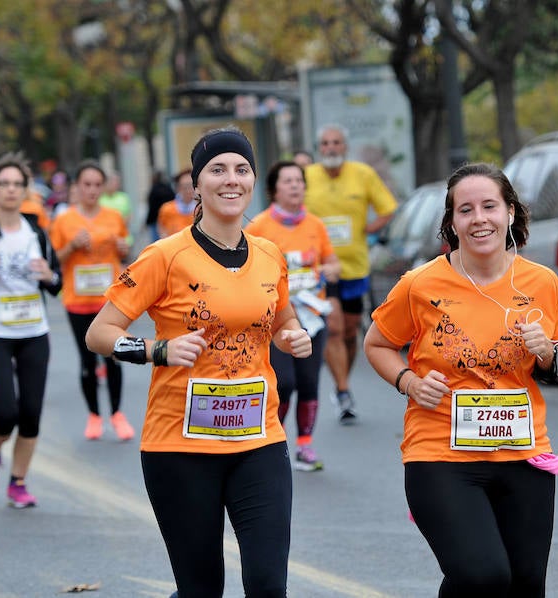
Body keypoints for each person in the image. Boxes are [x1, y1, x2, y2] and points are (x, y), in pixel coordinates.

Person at [85, 126, 311, 597]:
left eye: (242, 169)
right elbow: (100, 334)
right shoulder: (164, 257)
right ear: (197, 185)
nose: (232, 179)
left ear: (252, 182)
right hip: (180, 448)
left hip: (258, 438)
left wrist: (291, 336)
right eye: (218, 169)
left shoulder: (270, 254)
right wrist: (156, 350)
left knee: (269, 585)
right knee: (201, 589)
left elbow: (281, 314)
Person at [364, 163, 558, 597]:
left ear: (511, 213)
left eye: (489, 206)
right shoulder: (419, 284)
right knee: (482, 575)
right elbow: (377, 344)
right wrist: (408, 381)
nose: (479, 218)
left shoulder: (543, 282)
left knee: (525, 584)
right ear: (452, 222)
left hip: (522, 452)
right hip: (440, 454)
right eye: (465, 210)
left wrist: (549, 353)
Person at [0, 153, 62, 508]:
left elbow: (57, 283)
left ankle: (18, 482)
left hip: (34, 333)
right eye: (3, 184)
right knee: (5, 412)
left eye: (16, 184)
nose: (10, 190)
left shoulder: (36, 231)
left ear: (25, 190)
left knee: (31, 414)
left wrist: (48, 275)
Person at [245, 160, 340, 471]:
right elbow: (243, 266)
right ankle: (276, 439)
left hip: (312, 315)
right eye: (288, 181)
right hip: (277, 318)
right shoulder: (258, 226)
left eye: (299, 180)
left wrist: (328, 270)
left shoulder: (315, 224)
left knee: (309, 381)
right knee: (284, 382)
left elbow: (334, 265)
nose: (295, 186)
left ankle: (305, 446)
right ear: (274, 189)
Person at [304, 124, 397, 423]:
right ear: (320, 149)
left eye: (336, 143)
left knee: (349, 330)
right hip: (321, 269)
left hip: (355, 265)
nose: (331, 148)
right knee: (333, 325)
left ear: (345, 147)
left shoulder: (362, 174)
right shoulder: (307, 177)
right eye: (326, 143)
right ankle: (343, 390)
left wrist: (368, 231)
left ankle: (343, 376)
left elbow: (387, 208)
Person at [50, 161, 134, 441]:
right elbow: (54, 260)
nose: (92, 190)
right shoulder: (64, 220)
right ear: (76, 187)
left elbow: (125, 251)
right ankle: (95, 415)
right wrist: (72, 246)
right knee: (87, 362)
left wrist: (125, 249)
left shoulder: (113, 216)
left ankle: (117, 414)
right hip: (77, 301)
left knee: (115, 357)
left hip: (110, 302)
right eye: (86, 184)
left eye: (98, 185)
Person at [157, 169, 197, 239]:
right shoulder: (167, 209)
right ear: (178, 188)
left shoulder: (202, 209)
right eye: (185, 186)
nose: (188, 190)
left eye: (191, 185)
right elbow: (162, 230)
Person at [144, 170, 175, 243]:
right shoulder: (168, 189)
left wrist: (148, 221)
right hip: (168, 218)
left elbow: (152, 207)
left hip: (155, 219)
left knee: (156, 241)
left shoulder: (154, 190)